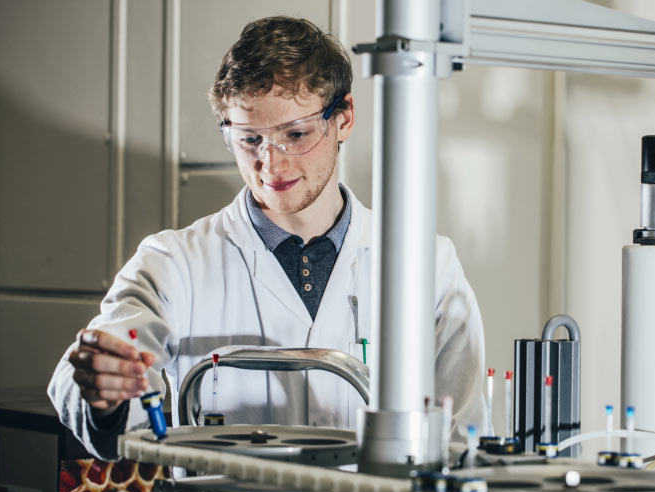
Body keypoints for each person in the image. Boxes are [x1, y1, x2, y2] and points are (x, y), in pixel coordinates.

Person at [48, 16, 486, 459]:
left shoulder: (427, 265)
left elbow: (462, 437)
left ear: (344, 117)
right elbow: (85, 390)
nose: (270, 165)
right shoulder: (173, 263)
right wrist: (103, 392)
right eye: (249, 140)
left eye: (295, 135)